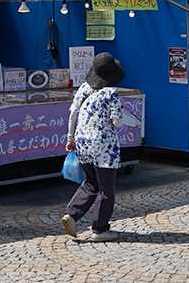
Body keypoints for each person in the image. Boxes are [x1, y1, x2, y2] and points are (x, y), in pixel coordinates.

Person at [61, 52, 127, 242]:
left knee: (91, 182)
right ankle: (100, 229)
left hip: (82, 143)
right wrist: (119, 117)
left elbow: (73, 114)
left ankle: (71, 215)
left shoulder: (84, 88)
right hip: (103, 147)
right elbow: (117, 122)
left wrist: (70, 138)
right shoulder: (111, 92)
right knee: (106, 188)